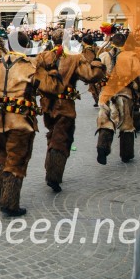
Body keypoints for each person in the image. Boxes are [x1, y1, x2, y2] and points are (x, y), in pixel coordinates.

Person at [0, 31, 62, 216]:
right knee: (17, 159)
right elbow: (50, 87)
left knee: (3, 151)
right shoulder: (31, 66)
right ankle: (9, 202)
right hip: (20, 121)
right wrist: (53, 72)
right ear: (27, 46)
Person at [34, 30, 105, 192]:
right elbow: (89, 76)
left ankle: (50, 167)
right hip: (64, 106)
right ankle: (53, 176)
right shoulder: (74, 58)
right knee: (61, 139)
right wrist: (98, 64)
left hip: (46, 105)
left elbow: (34, 77)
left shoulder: (43, 56)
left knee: (52, 134)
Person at [95, 32, 140, 165]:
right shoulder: (131, 57)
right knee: (126, 124)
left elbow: (97, 75)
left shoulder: (103, 55)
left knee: (105, 121)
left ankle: (102, 148)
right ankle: (126, 154)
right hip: (124, 94)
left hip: (106, 94)